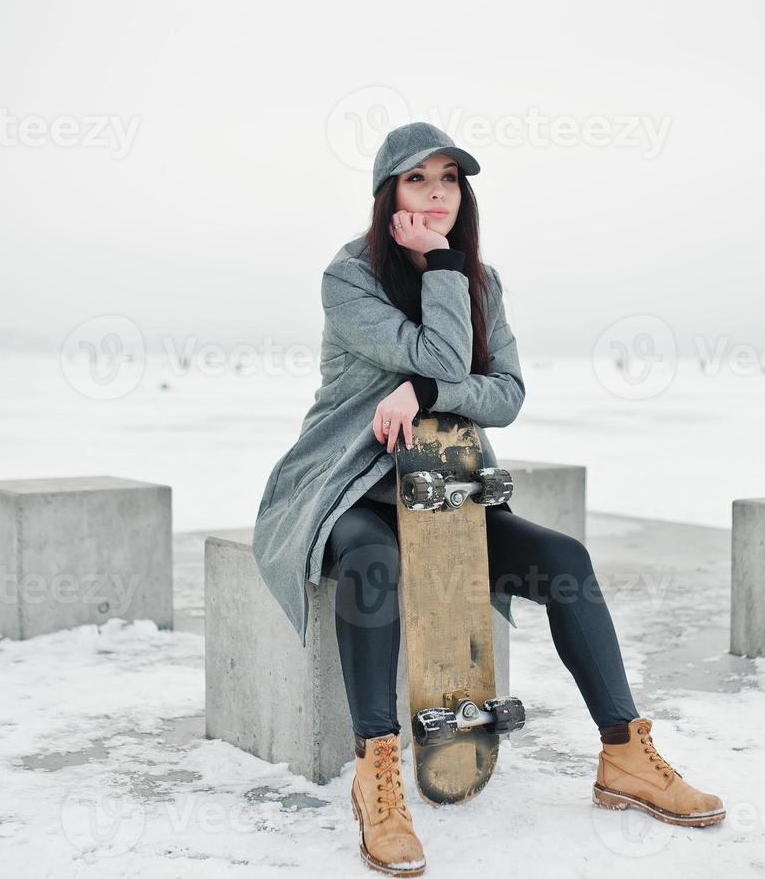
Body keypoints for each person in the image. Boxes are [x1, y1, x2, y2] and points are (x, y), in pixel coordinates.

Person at [251, 122, 724, 876]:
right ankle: (376, 775)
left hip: (445, 495)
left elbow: (504, 394)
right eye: (417, 179)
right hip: (345, 486)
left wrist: (431, 384)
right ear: (388, 194)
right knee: (372, 561)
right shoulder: (349, 277)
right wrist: (439, 274)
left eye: (448, 180)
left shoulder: (483, 281)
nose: (435, 193)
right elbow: (442, 354)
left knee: (563, 559)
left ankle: (624, 756)